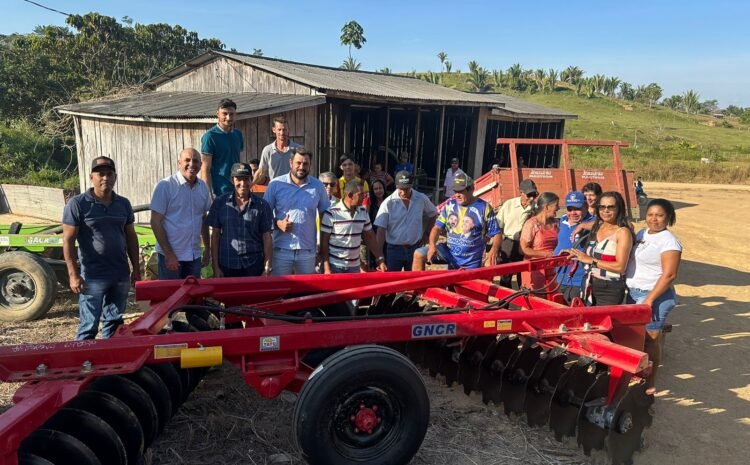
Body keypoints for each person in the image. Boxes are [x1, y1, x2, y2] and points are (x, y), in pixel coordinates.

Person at [62, 157, 140, 340]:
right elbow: (68, 241)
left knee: (114, 323)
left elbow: (131, 237)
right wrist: (73, 275)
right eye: (100, 174)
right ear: (91, 177)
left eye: (109, 174)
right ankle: (84, 363)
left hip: (120, 273)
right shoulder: (78, 204)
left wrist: (136, 269)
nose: (105, 178)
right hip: (92, 276)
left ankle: (109, 364)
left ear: (115, 177)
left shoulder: (123, 204)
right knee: (89, 326)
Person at [626, 198, 682, 390]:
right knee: (635, 337)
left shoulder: (669, 241)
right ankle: (637, 372)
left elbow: (669, 275)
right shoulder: (643, 234)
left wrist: (649, 300)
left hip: (655, 295)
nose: (654, 219)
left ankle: (650, 382)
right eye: (650, 214)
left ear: (669, 218)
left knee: (650, 339)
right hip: (635, 292)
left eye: (659, 215)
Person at [413, 174, 501, 271]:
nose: (457, 195)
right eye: (455, 191)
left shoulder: (484, 207)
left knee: (468, 281)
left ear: (471, 189)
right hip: (449, 252)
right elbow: (436, 228)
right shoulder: (450, 205)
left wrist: (494, 249)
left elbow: (497, 233)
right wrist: (432, 245)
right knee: (419, 254)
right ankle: (418, 287)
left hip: (471, 260)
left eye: (461, 191)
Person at [264, 147, 330, 275]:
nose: (301, 167)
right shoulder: (275, 184)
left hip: (307, 252)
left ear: (310, 165)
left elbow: (325, 217)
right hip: (281, 250)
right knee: (279, 291)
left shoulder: (318, 187)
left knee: (306, 292)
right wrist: (278, 223)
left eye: (305, 164)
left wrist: (322, 248)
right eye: (298, 163)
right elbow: (264, 216)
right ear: (290, 163)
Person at [151, 148, 212, 279]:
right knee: (171, 297)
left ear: (201, 165)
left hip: (194, 256)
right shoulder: (165, 186)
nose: (191, 164)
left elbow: (203, 218)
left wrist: (207, 247)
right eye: (187, 160)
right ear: (179, 163)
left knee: (192, 297)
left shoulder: (203, 187)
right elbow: (155, 221)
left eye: (196, 161)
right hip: (172, 257)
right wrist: (169, 254)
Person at [567, 191, 634, 306]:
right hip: (589, 284)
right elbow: (591, 254)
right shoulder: (597, 227)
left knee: (602, 323)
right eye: (602, 207)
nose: (605, 210)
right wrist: (575, 253)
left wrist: (591, 260)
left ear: (619, 209)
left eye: (610, 207)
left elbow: (620, 267)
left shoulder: (623, 232)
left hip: (609, 289)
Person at [208, 163, 273, 277]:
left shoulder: (262, 205)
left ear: (251, 180)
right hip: (227, 263)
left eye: (246, 179)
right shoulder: (220, 203)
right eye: (238, 179)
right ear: (232, 180)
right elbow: (215, 236)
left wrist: (267, 266)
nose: (243, 184)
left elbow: (267, 236)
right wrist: (215, 266)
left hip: (254, 265)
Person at [374, 171, 438, 271]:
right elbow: (381, 230)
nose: (403, 192)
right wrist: (380, 257)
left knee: (414, 283)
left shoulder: (421, 198)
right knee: (393, 283)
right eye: (401, 189)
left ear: (411, 186)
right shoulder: (388, 203)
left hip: (414, 248)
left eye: (406, 189)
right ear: (396, 186)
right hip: (394, 250)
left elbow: (434, 214)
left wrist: (426, 234)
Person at [320, 180, 386, 274]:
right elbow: (324, 242)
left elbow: (370, 237)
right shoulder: (331, 213)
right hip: (335, 266)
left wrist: (380, 258)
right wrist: (327, 268)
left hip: (354, 266)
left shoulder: (363, 212)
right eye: (361, 194)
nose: (364, 197)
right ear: (350, 195)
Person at [495, 179, 538, 288]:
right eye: (529, 195)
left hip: (527, 246)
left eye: (534, 195)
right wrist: (497, 248)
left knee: (524, 277)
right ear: (521, 193)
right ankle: (504, 303)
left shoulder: (536, 208)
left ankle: (523, 302)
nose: (531, 198)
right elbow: (498, 226)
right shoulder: (509, 204)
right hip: (509, 244)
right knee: (505, 277)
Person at [553, 191, 594, 303]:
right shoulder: (563, 220)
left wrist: (582, 225)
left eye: (577, 209)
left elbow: (603, 225)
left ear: (586, 206)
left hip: (578, 280)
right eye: (569, 209)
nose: (573, 213)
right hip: (559, 277)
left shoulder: (592, 221)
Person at [200, 99, 244, 197]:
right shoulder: (210, 136)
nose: (228, 117)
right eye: (224, 114)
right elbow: (205, 169)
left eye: (231, 114)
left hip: (237, 190)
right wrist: (207, 196)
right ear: (217, 114)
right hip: (219, 191)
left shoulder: (238, 135)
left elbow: (239, 163)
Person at [519, 192, 560, 290]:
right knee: (535, 300)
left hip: (552, 268)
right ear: (546, 207)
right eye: (556, 205)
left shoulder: (556, 223)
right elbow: (523, 249)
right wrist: (546, 254)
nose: (558, 208)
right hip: (535, 269)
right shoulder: (531, 224)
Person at [254, 116, 301, 183]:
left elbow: (303, 170)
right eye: (279, 130)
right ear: (274, 130)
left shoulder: (298, 149)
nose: (282, 133)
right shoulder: (268, 150)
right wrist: (251, 185)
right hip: (275, 189)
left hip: (292, 189)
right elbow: (261, 172)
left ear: (288, 130)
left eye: (284, 129)